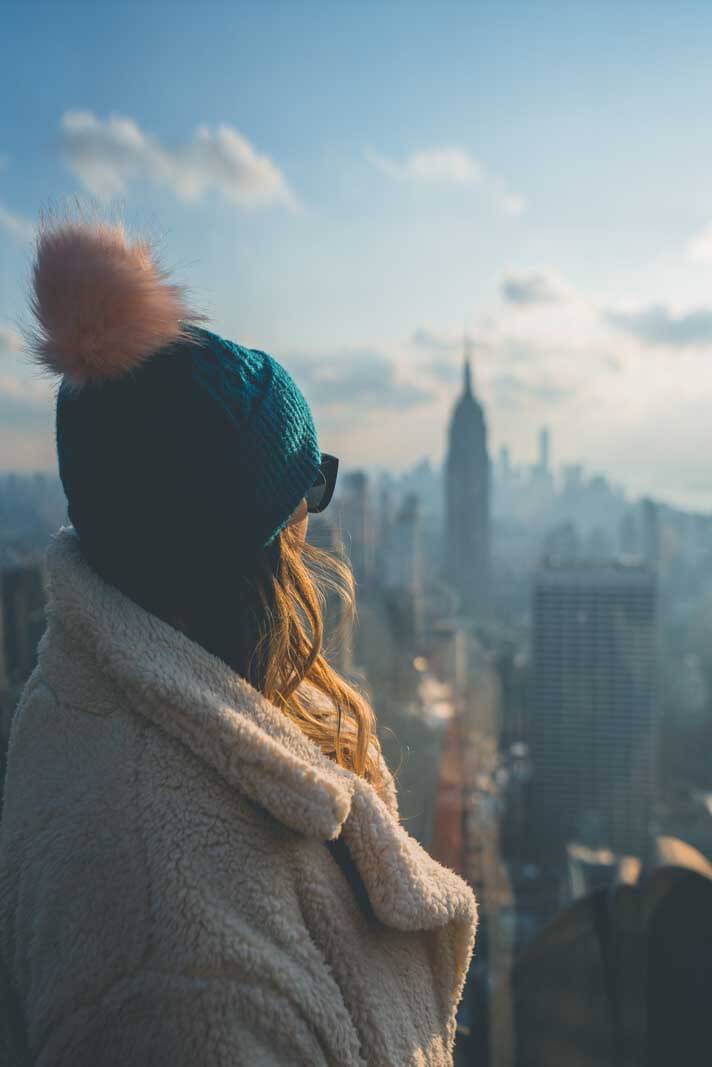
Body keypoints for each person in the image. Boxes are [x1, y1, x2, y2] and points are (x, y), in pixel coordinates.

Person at [0, 218, 478, 1066]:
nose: (313, 538)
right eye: (305, 495)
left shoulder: (88, 703)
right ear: (247, 560)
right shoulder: (185, 972)